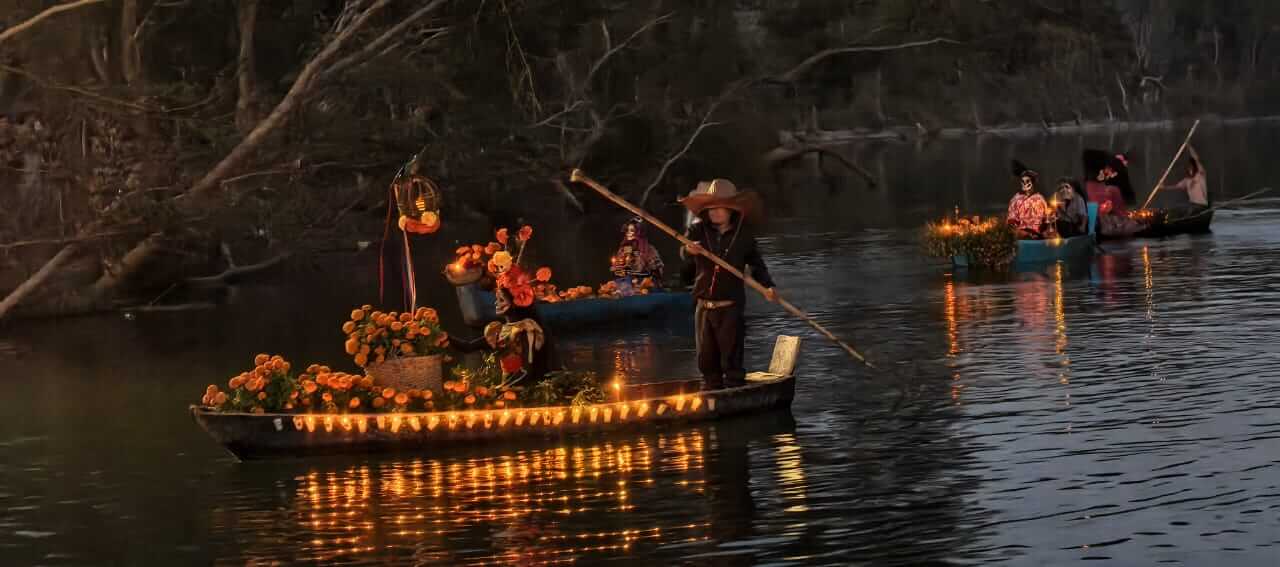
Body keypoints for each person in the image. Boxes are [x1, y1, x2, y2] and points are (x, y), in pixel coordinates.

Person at [679, 178, 778, 391]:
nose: (714, 213)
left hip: (731, 306)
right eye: (711, 208)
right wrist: (688, 251)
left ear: (731, 210)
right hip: (704, 305)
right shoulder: (698, 232)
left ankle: (734, 391)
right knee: (706, 359)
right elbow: (684, 256)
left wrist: (768, 286)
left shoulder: (744, 236)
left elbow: (756, 264)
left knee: (731, 357)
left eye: (719, 208)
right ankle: (711, 389)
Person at [1006, 160, 1051, 239]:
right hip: (1021, 235)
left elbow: (1046, 219)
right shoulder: (1016, 199)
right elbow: (1011, 220)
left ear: (1033, 182)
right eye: (1022, 181)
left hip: (1037, 235)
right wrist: (1018, 230)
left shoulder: (1040, 199)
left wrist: (1044, 230)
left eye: (1027, 181)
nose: (1025, 184)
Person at [611, 217, 665, 283]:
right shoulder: (623, 249)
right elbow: (619, 269)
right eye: (627, 230)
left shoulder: (649, 249)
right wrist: (617, 270)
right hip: (625, 287)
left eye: (632, 230)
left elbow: (657, 274)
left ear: (639, 231)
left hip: (646, 286)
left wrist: (631, 273)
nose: (628, 233)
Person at [1161, 144, 1209, 212]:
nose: (1190, 169)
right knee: (1178, 208)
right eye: (1189, 167)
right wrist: (1164, 187)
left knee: (1188, 209)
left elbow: (1196, 159)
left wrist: (1190, 147)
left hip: (1201, 205)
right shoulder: (1187, 180)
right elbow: (1176, 186)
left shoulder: (1201, 174)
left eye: (1191, 167)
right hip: (1192, 204)